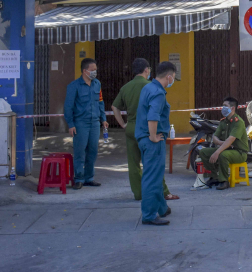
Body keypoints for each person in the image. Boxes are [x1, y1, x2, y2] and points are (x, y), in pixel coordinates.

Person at [111, 59, 179, 201]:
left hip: (131, 128)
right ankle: (163, 192)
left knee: (133, 163)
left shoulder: (126, 87)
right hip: (148, 129)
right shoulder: (152, 87)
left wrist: (123, 124)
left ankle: (138, 193)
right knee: (153, 164)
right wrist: (153, 135)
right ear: (146, 70)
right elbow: (153, 114)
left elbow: (114, 107)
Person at [135, 61, 177, 225]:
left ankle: (161, 207)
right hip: (152, 140)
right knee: (152, 178)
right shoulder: (158, 93)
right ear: (168, 76)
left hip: (143, 138)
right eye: (173, 77)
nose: (172, 80)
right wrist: (153, 136)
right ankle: (149, 215)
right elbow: (153, 116)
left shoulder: (148, 87)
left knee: (156, 176)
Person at [64, 58, 108, 190]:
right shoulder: (74, 86)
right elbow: (68, 106)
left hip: (94, 123)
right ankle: (78, 178)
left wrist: (103, 118)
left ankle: (89, 178)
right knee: (79, 152)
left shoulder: (97, 84)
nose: (95, 72)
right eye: (92, 70)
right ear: (85, 71)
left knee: (93, 151)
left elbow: (100, 102)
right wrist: (71, 124)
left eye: (96, 70)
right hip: (80, 123)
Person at [199, 96, 248, 190]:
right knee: (203, 152)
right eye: (223, 106)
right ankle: (214, 177)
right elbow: (215, 137)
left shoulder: (238, 122)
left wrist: (217, 152)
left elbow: (231, 139)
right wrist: (221, 143)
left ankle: (224, 181)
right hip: (226, 148)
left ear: (232, 108)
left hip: (239, 152)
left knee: (222, 155)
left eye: (225, 106)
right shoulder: (223, 121)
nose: (223, 108)